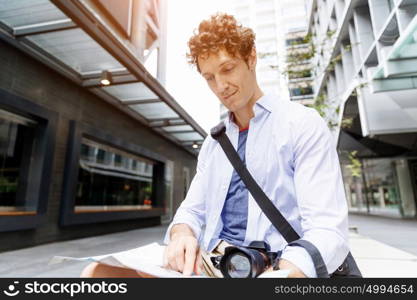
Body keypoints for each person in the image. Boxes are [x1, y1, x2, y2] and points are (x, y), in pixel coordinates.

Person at [81, 13, 350, 278]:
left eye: (227, 69)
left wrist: (290, 272)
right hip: (215, 264)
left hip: (278, 266)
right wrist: (182, 233)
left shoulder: (301, 124)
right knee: (98, 273)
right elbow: (192, 210)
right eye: (209, 77)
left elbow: (328, 228)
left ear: (251, 58)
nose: (221, 86)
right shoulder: (214, 143)